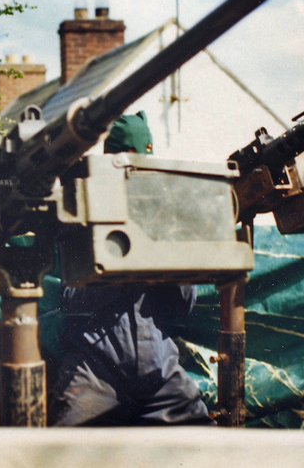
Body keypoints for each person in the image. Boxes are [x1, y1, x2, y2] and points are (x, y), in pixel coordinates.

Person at [48, 111, 214, 426]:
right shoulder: (83, 210)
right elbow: (72, 300)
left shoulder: (163, 216)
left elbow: (182, 305)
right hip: (95, 373)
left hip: (159, 373)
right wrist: (125, 265)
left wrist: (163, 260)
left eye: (145, 161)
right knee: (64, 452)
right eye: (130, 160)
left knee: (203, 444)